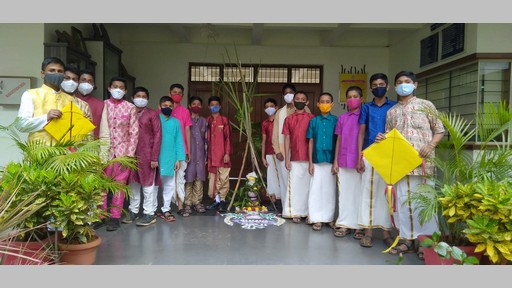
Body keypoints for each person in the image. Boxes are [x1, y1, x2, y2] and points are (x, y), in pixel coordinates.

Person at [377, 70, 445, 255]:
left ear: (415, 84)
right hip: (401, 166)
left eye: (407, 81)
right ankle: (406, 239)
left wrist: (430, 145)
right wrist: (381, 139)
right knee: (404, 203)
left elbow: (440, 130)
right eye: (399, 81)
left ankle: (427, 243)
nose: (403, 84)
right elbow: (389, 137)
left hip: (424, 164)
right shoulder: (392, 112)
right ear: (395, 86)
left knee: (424, 203)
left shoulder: (426, 105)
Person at [356, 73, 397, 248]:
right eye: (374, 84)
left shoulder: (395, 107)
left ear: (387, 87)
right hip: (370, 153)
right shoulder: (366, 107)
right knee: (368, 193)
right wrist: (360, 155)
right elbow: (362, 132)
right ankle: (368, 232)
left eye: (381, 84)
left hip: (388, 155)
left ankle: (387, 232)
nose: (378, 86)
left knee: (387, 194)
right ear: (371, 88)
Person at [98, 76, 139, 231]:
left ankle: (115, 217)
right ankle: (100, 216)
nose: (118, 90)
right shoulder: (103, 105)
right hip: (103, 152)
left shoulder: (130, 107)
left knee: (119, 186)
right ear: (109, 88)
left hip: (122, 153)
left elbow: (134, 133)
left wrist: (128, 155)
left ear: (126, 91)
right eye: (115, 86)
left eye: (121, 87)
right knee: (102, 185)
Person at [123, 86, 161, 227]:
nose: (141, 98)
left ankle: (149, 213)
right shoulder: (127, 112)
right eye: (138, 96)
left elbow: (158, 135)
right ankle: (133, 211)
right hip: (130, 154)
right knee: (133, 184)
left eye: (144, 96)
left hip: (147, 154)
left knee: (148, 185)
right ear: (132, 98)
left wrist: (154, 157)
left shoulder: (152, 114)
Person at [16, 57, 73, 144]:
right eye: (52, 70)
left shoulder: (70, 99)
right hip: (39, 152)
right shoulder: (31, 94)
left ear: (64, 75)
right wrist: (46, 118)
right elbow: (21, 125)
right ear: (43, 74)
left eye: (60, 71)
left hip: (64, 153)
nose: (56, 73)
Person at [332, 87, 364, 237]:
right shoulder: (342, 118)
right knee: (344, 194)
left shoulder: (365, 116)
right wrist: (335, 161)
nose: (352, 99)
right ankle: (345, 223)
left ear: (362, 98)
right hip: (343, 160)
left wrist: (361, 159)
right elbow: (338, 139)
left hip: (360, 162)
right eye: (349, 96)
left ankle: (360, 226)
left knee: (359, 194)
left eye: (355, 96)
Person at [306, 92, 338, 231]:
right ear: (318, 104)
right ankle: (316, 218)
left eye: (328, 101)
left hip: (331, 160)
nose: (325, 104)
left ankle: (329, 218)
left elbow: (339, 142)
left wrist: (336, 161)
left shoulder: (337, 120)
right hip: (317, 159)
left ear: (332, 104)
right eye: (322, 101)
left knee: (330, 190)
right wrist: (310, 163)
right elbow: (310, 141)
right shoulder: (313, 121)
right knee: (316, 189)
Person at [282, 91, 314, 223]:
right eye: (297, 99)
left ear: (307, 102)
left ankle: (307, 212)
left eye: (303, 99)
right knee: (294, 186)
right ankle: (294, 212)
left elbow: (314, 139)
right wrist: (287, 159)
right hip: (294, 157)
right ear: (293, 102)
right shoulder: (288, 119)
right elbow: (287, 139)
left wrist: (313, 161)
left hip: (309, 158)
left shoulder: (312, 118)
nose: (300, 101)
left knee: (308, 186)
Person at [155, 96, 186, 222]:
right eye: (165, 105)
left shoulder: (176, 122)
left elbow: (179, 141)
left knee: (169, 185)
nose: (167, 108)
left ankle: (165, 208)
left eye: (170, 106)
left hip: (171, 158)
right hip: (156, 157)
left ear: (173, 107)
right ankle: (151, 210)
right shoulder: (155, 120)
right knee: (154, 185)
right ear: (159, 106)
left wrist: (179, 159)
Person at [169, 83, 192, 217]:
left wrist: (188, 150)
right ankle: (167, 205)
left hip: (181, 149)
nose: (176, 94)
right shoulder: (163, 109)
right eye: (174, 92)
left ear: (182, 96)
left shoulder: (185, 112)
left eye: (179, 92)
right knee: (169, 179)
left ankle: (180, 205)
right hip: (167, 150)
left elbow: (187, 130)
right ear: (170, 93)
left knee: (180, 178)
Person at [205, 96, 232, 213]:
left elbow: (228, 139)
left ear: (220, 106)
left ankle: (223, 201)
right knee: (213, 180)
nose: (214, 106)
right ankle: (216, 200)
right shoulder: (207, 121)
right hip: (211, 156)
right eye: (212, 104)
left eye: (216, 104)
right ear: (208, 107)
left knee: (223, 179)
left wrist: (227, 153)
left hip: (223, 156)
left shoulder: (224, 120)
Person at [184, 96, 208, 214]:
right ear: (189, 106)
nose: (196, 106)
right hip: (189, 154)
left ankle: (197, 202)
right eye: (194, 104)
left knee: (199, 178)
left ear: (202, 106)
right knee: (189, 178)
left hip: (201, 154)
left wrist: (206, 156)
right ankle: (187, 203)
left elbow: (207, 140)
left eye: (199, 104)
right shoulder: (186, 120)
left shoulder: (204, 121)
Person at [260, 97, 281, 212]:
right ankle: (273, 202)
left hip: (280, 154)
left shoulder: (281, 121)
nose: (269, 108)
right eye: (267, 107)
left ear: (276, 108)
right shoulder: (265, 123)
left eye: (271, 106)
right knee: (272, 178)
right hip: (269, 153)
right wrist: (263, 157)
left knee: (280, 178)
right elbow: (263, 141)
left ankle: (281, 201)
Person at [76, 69, 104, 139]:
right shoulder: (69, 100)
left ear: (94, 85)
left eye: (90, 81)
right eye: (83, 80)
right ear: (77, 82)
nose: (86, 83)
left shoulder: (100, 105)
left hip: (93, 145)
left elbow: (104, 130)